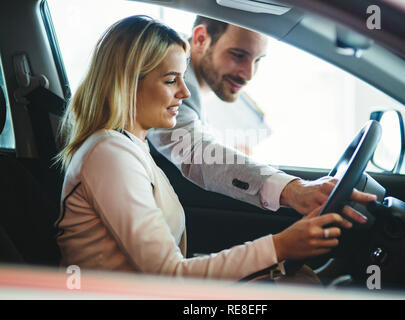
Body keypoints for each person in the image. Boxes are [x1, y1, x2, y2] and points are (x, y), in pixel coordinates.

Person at [54, 15, 375, 280]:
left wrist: (275, 257)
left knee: (302, 279)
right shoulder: (110, 154)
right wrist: (279, 246)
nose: (184, 92)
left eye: (182, 78)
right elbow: (168, 274)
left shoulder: (128, 148)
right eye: (170, 81)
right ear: (127, 82)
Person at [148, 16, 375, 222]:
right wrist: (293, 190)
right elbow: (196, 151)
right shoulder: (169, 83)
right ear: (200, 39)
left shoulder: (191, 88)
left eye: (258, 60)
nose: (248, 74)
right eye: (238, 55)